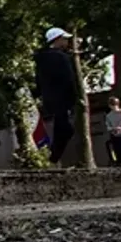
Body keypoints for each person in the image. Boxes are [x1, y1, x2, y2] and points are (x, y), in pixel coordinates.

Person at [34, 27, 82, 166]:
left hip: (50, 99)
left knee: (62, 128)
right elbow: (69, 79)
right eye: (64, 39)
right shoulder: (62, 58)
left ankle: (52, 157)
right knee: (65, 129)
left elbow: (38, 81)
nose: (67, 41)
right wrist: (74, 97)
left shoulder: (40, 59)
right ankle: (53, 158)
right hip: (63, 99)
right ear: (58, 40)